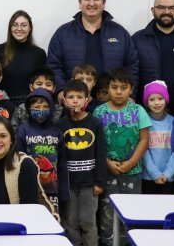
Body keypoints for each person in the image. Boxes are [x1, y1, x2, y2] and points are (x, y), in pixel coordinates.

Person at [47, 0, 139, 105]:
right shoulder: (63, 33)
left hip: (112, 103)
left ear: (104, 3)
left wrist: (130, 95)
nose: (91, 3)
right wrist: (61, 91)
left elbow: (132, 66)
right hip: (75, 102)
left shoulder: (120, 33)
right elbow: (53, 65)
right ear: (80, 3)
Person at [92, 68, 150, 246]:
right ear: (107, 89)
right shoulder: (99, 112)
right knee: (107, 213)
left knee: (131, 212)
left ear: (131, 89)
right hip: (107, 172)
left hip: (133, 171)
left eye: (123, 87)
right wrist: (107, 163)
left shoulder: (138, 110)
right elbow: (95, 144)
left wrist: (131, 162)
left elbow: (144, 140)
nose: (118, 91)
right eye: (114, 87)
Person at [0, 116, 56, 216]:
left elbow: (30, 210)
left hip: (30, 224)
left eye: (3, 136)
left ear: (11, 140)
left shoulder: (25, 164)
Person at [61, 80, 106, 246]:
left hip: (89, 184)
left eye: (79, 97)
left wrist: (99, 182)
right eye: (71, 97)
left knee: (88, 221)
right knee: (70, 222)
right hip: (68, 184)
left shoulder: (95, 124)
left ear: (87, 100)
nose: (75, 101)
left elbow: (101, 154)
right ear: (64, 100)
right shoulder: (61, 124)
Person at [16, 88, 62, 211]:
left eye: (45, 106)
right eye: (37, 106)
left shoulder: (57, 129)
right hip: (32, 185)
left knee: (53, 216)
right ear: (29, 108)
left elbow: (63, 158)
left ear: (51, 108)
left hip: (54, 187)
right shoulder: (23, 129)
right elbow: (18, 157)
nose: (41, 110)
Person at [0, 10, 47, 105]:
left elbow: (43, 84)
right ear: (10, 28)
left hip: (31, 106)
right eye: (15, 25)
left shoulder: (39, 53)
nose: (19, 28)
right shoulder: (0, 50)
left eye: (23, 25)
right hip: (4, 106)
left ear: (30, 28)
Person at [140, 80, 174, 195]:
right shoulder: (143, 121)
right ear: (146, 102)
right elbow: (143, 151)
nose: (156, 103)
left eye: (160, 99)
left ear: (166, 100)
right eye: (152, 99)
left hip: (170, 178)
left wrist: (167, 174)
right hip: (148, 177)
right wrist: (155, 174)